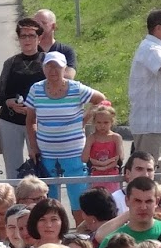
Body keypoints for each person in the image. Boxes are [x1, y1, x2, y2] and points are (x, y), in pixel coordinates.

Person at [24, 51, 104, 203]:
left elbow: (100, 99)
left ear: (64, 69)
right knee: (48, 202)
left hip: (74, 152)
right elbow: (30, 121)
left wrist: (84, 119)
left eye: (57, 67)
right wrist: (33, 147)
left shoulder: (76, 88)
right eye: (49, 66)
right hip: (46, 153)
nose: (53, 70)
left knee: (79, 201)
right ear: (43, 68)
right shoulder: (36, 89)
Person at [0, 18, 47, 177]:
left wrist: (34, 108)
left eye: (31, 36)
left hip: (39, 122)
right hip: (10, 121)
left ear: (39, 38)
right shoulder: (10, 63)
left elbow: (55, 91)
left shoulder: (47, 61)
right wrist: (9, 103)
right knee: (13, 168)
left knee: (40, 165)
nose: (27, 40)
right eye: (23, 36)